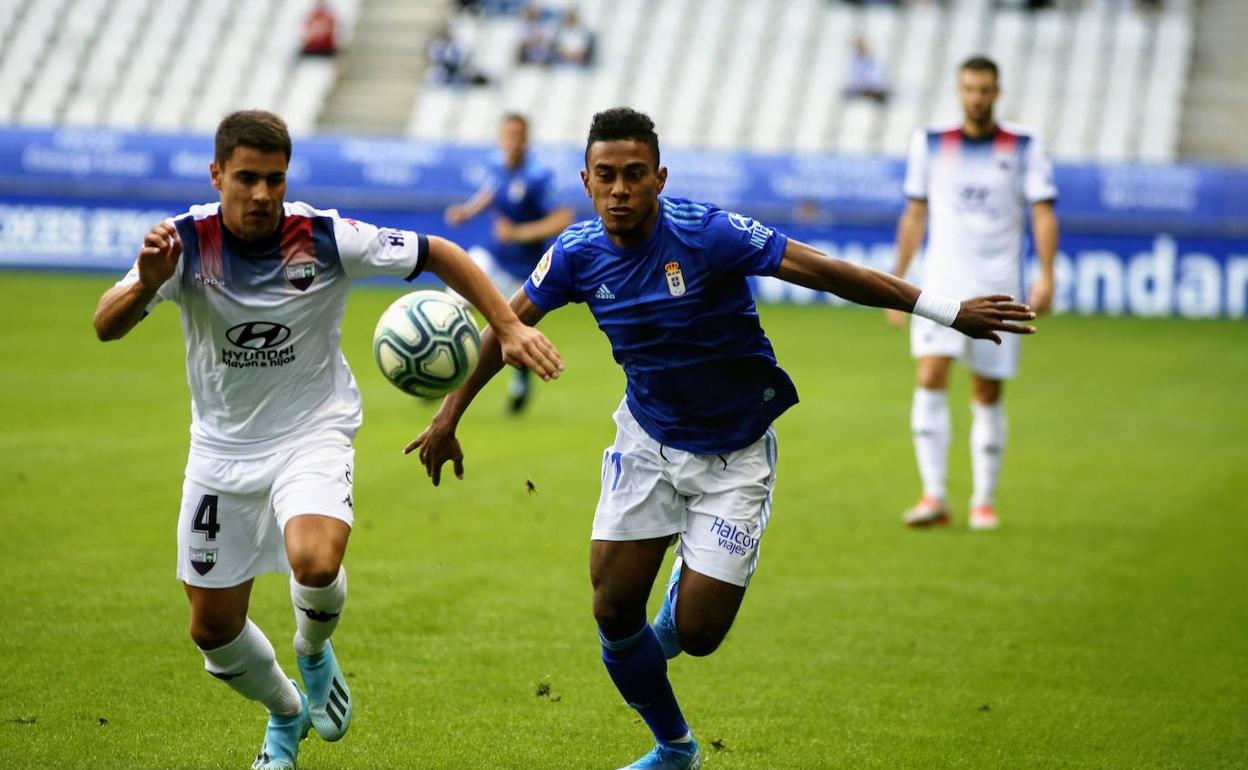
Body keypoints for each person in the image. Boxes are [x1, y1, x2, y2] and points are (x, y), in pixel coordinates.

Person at [410, 107, 1035, 770]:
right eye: (606, 176)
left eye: (634, 174)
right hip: (647, 441)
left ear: (659, 177)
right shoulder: (575, 254)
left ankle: (687, 591)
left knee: (700, 636)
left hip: (735, 452)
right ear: (586, 183)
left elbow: (819, 268)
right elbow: (503, 325)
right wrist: (449, 416)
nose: (620, 189)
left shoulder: (706, 234)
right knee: (614, 610)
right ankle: (674, 747)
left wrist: (945, 311)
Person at [92, 110, 562, 770]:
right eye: (247, 179)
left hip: (311, 430)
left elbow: (442, 253)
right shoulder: (184, 245)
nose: (262, 194)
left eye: (275, 180)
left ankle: (313, 650)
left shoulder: (323, 236)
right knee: (212, 633)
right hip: (220, 452)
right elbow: (105, 326)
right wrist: (145, 281)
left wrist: (507, 326)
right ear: (217, 174)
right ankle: (285, 714)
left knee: (315, 561)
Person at [888, 55, 1058, 531]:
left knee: (986, 389)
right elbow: (915, 214)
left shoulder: (1024, 145)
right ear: (959, 91)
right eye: (969, 89)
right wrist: (897, 280)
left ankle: (983, 500)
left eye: (985, 89)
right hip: (941, 284)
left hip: (1000, 284)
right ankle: (934, 496)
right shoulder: (931, 142)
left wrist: (1046, 273)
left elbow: (1043, 213)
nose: (977, 98)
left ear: (997, 92)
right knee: (930, 373)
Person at [444, 113, 573, 412]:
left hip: (523, 269)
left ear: (526, 139)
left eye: (518, 135)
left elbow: (562, 217)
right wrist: (467, 211)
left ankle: (521, 384)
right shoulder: (496, 165)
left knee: (511, 328)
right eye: (507, 134)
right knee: (453, 298)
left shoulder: (538, 176)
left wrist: (518, 233)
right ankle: (440, 364)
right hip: (494, 257)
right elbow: (492, 190)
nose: (512, 141)